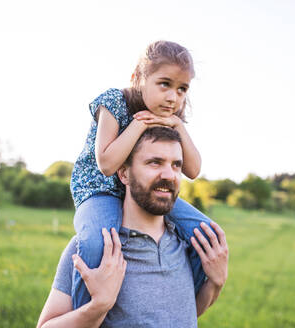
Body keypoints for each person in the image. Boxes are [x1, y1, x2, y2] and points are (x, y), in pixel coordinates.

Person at [69, 40, 215, 310]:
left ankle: (182, 305)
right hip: (99, 189)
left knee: (207, 234)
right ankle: (83, 313)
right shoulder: (114, 101)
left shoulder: (170, 114)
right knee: (93, 243)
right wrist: (138, 124)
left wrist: (179, 127)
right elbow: (107, 164)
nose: (173, 97)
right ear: (138, 78)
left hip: (142, 188)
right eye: (165, 84)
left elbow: (193, 170)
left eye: (182, 89)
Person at [37, 127, 229, 327]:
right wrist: (98, 306)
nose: (169, 174)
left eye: (176, 165)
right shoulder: (94, 248)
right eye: (155, 162)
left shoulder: (190, 246)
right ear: (124, 174)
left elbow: (186, 314)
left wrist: (215, 283)